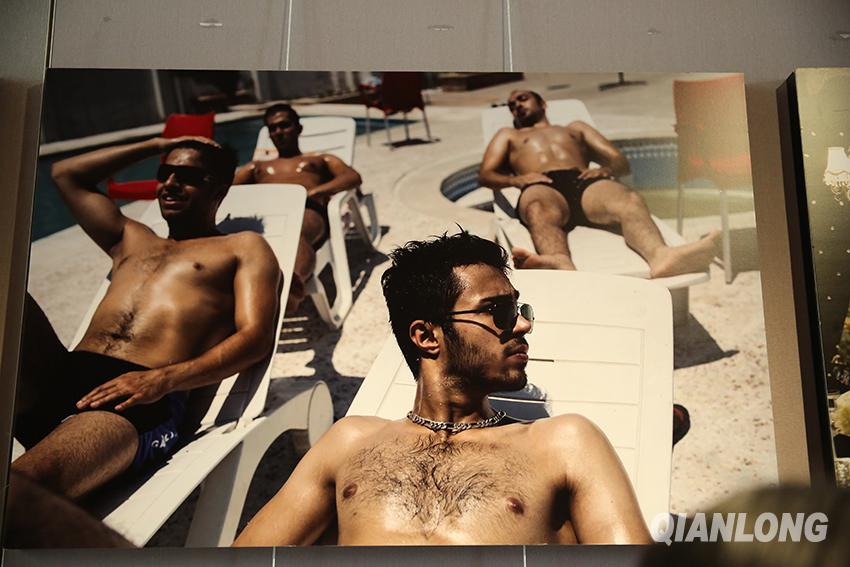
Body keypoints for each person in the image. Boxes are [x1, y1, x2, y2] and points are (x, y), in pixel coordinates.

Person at [234, 232, 651, 546]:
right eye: (499, 311)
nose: (523, 324)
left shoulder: (563, 442)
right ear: (427, 337)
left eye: (519, 309)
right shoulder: (349, 441)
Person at [12, 136, 282, 505]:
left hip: (139, 400)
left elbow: (255, 338)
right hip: (64, 372)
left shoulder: (242, 247)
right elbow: (65, 174)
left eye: (187, 177)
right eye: (164, 173)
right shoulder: (130, 236)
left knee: (21, 489)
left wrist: (163, 379)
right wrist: (159, 143)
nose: (170, 184)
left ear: (219, 190)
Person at [479, 90, 720, 276]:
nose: (517, 106)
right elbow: (485, 175)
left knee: (628, 199)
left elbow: (618, 160)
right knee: (538, 209)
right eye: (512, 105)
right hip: (542, 185)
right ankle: (559, 261)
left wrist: (606, 170)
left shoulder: (575, 128)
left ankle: (661, 256)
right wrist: (517, 179)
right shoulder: (508, 135)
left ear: (543, 104)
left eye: (522, 99)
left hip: (584, 182)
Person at [234, 103, 363, 312]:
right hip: (268, 216)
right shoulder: (257, 167)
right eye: (273, 128)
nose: (279, 132)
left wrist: (313, 193)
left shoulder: (319, 159)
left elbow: (352, 177)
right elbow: (227, 191)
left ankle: (290, 288)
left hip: (307, 211)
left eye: (284, 125)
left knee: (297, 229)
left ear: (298, 128)